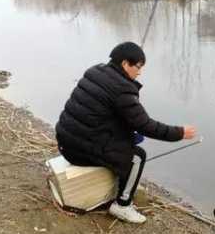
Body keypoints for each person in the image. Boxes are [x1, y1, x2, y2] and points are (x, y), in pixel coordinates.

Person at [55, 42, 196, 223]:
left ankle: (119, 186)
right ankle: (122, 205)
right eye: (138, 67)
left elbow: (111, 115)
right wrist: (179, 133)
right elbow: (146, 125)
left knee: (132, 138)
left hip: (65, 140)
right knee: (137, 156)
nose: (140, 72)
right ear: (124, 64)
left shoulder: (96, 71)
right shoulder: (122, 90)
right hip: (77, 151)